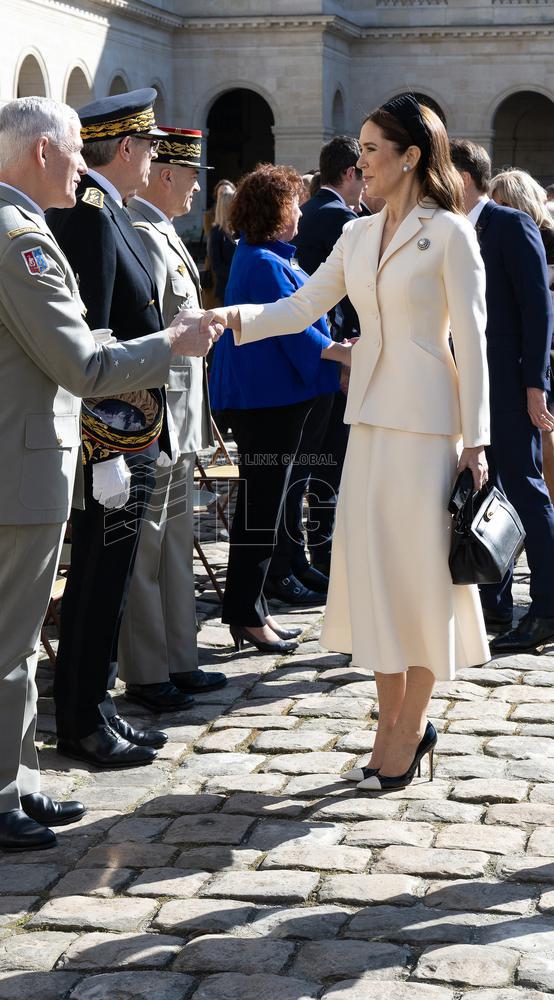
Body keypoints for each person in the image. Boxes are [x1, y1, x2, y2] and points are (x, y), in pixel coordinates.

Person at [0, 96, 215, 851]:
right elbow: (81, 367)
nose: (84, 165)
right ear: (43, 152)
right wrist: (172, 343)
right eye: (77, 151)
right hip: (17, 464)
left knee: (7, 639)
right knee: (3, 644)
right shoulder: (20, 241)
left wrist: (0, 367)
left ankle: (15, 780)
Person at [204, 95, 491, 791]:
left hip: (429, 428)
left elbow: (475, 341)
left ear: (410, 156)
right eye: (359, 151)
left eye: (370, 150)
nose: (359, 163)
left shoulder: (449, 233)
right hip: (368, 423)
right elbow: (302, 307)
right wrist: (225, 318)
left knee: (421, 581)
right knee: (378, 580)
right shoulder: (358, 236)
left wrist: (476, 443)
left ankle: (407, 724)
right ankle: (391, 721)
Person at [46, 89, 182, 766]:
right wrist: (107, 452)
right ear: (125, 148)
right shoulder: (93, 218)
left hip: (134, 430)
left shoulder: (112, 213)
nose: (155, 157)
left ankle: (97, 705)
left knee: (114, 577)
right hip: (117, 438)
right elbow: (94, 338)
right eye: (151, 146)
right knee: (101, 578)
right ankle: (82, 718)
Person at [208, 164, 340, 655]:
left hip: (275, 396)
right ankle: (247, 611)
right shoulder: (262, 260)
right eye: (294, 204)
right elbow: (292, 328)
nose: (301, 212)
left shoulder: (269, 255)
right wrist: (336, 354)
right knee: (261, 508)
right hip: (268, 399)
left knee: (264, 504)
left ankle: (251, 609)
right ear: (275, 211)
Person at [120, 127, 225, 711]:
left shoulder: (163, 230)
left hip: (182, 418)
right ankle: (148, 669)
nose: (196, 188)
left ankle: (181, 659)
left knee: (176, 544)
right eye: (190, 176)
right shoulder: (141, 231)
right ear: (165, 175)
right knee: (147, 550)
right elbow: (149, 335)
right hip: (155, 416)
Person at [450, 142, 554, 653]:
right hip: (467, 382)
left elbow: (539, 310)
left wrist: (536, 385)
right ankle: (494, 597)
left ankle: (548, 606)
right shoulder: (451, 229)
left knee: (524, 487)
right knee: (484, 489)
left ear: (465, 178)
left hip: (511, 386)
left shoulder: (511, 225)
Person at [265, 136, 364, 603]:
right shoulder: (344, 221)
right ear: (350, 174)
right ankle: (311, 554)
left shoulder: (330, 217)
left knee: (311, 467)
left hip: (319, 357)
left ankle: (304, 557)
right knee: (317, 465)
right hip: (323, 359)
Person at [488, 168, 554, 504]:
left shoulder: (533, 235)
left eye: (498, 202)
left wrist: (535, 382)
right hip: (526, 355)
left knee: (540, 452)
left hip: (538, 357)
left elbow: (537, 308)